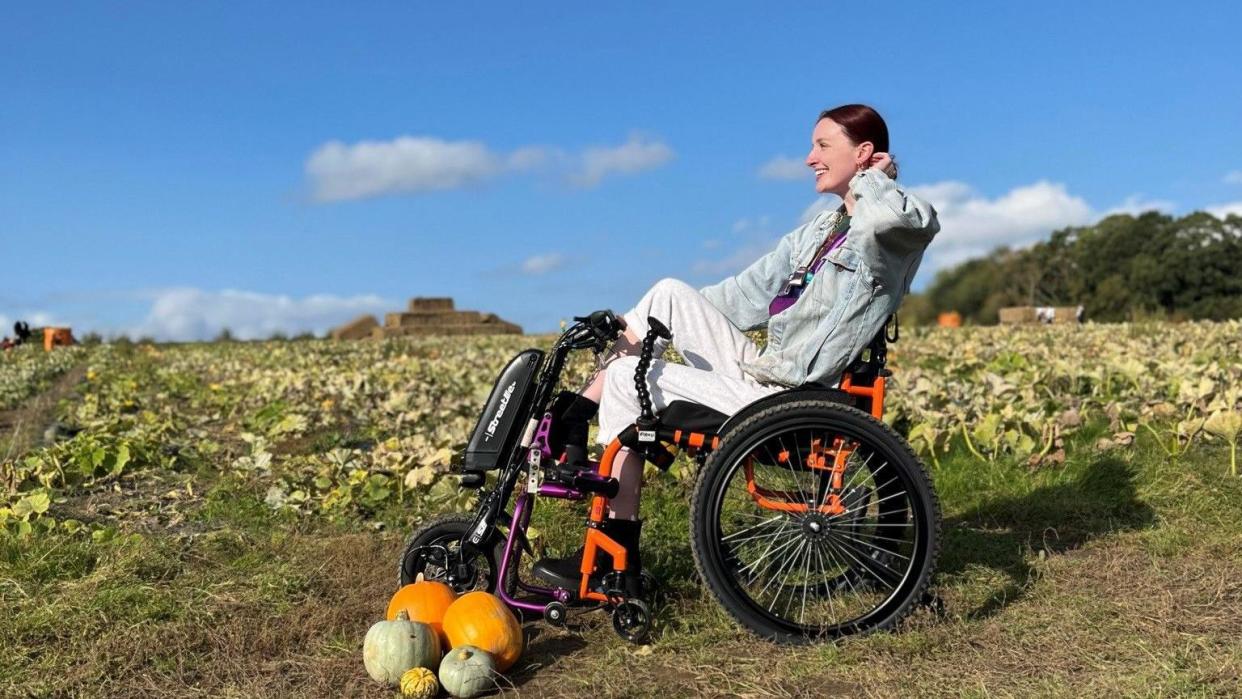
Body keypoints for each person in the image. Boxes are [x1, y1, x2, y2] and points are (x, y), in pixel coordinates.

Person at [533, 104, 940, 590]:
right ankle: (576, 412)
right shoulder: (818, 231)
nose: (810, 158)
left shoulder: (895, 227)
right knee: (667, 292)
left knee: (628, 379)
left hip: (799, 394)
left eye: (823, 146)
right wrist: (634, 323)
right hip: (766, 374)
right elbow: (742, 296)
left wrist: (876, 179)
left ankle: (614, 557)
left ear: (865, 153)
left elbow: (881, 223)